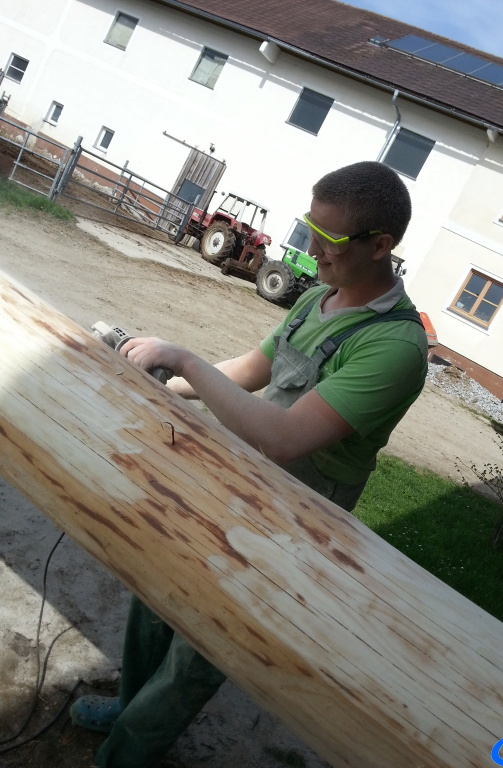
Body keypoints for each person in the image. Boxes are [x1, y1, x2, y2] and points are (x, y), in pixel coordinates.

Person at [69, 160, 429, 767]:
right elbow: (249, 372)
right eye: (309, 226)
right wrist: (161, 381)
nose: (312, 246)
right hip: (235, 480)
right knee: (158, 591)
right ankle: (129, 706)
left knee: (204, 643)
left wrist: (183, 357)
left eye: (330, 238)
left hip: (294, 521)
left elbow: (285, 438)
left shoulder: (395, 346)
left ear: (380, 245)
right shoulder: (315, 298)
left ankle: (126, 755)